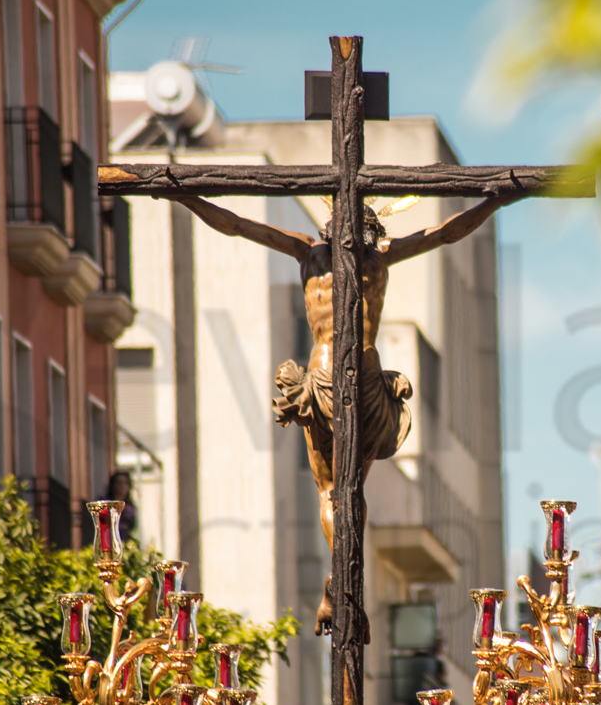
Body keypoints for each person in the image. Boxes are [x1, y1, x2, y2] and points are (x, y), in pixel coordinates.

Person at [177, 193, 521, 642]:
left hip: (326, 377)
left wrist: (180, 194)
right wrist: (500, 198)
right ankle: (342, 585)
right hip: (363, 375)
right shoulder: (372, 254)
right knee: (348, 491)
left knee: (331, 491)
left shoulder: (313, 253)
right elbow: (446, 232)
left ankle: (340, 585)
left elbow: (237, 224)